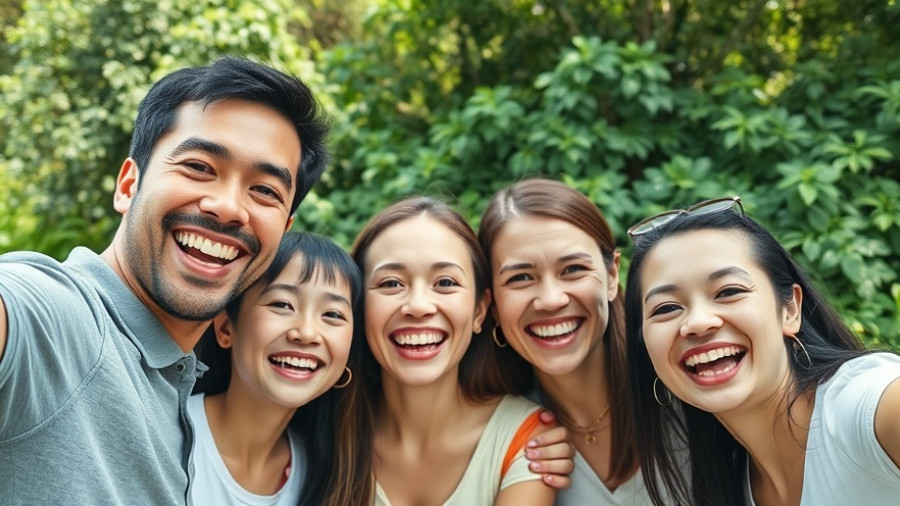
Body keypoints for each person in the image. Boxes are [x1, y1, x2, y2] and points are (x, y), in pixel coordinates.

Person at [0, 56, 328, 504]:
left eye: (265, 191)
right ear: (128, 185)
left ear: (283, 230)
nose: (230, 207)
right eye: (199, 166)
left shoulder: (177, 390)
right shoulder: (59, 321)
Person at [623, 196, 900, 505]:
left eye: (729, 291)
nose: (698, 323)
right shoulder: (724, 481)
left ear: (790, 310)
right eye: (666, 308)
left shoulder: (868, 407)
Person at [324, 196, 561, 505]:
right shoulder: (322, 433)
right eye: (391, 283)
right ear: (356, 306)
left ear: (480, 310)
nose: (419, 306)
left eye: (446, 282)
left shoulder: (528, 441)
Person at [478, 178, 655, 505]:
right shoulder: (504, 440)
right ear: (491, 305)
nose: (550, 299)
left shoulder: (680, 386)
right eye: (520, 278)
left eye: (573, 269)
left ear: (612, 277)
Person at [189, 231, 361, 506]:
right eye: (282, 304)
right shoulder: (167, 434)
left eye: (332, 314)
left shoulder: (327, 475)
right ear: (225, 328)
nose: (306, 333)